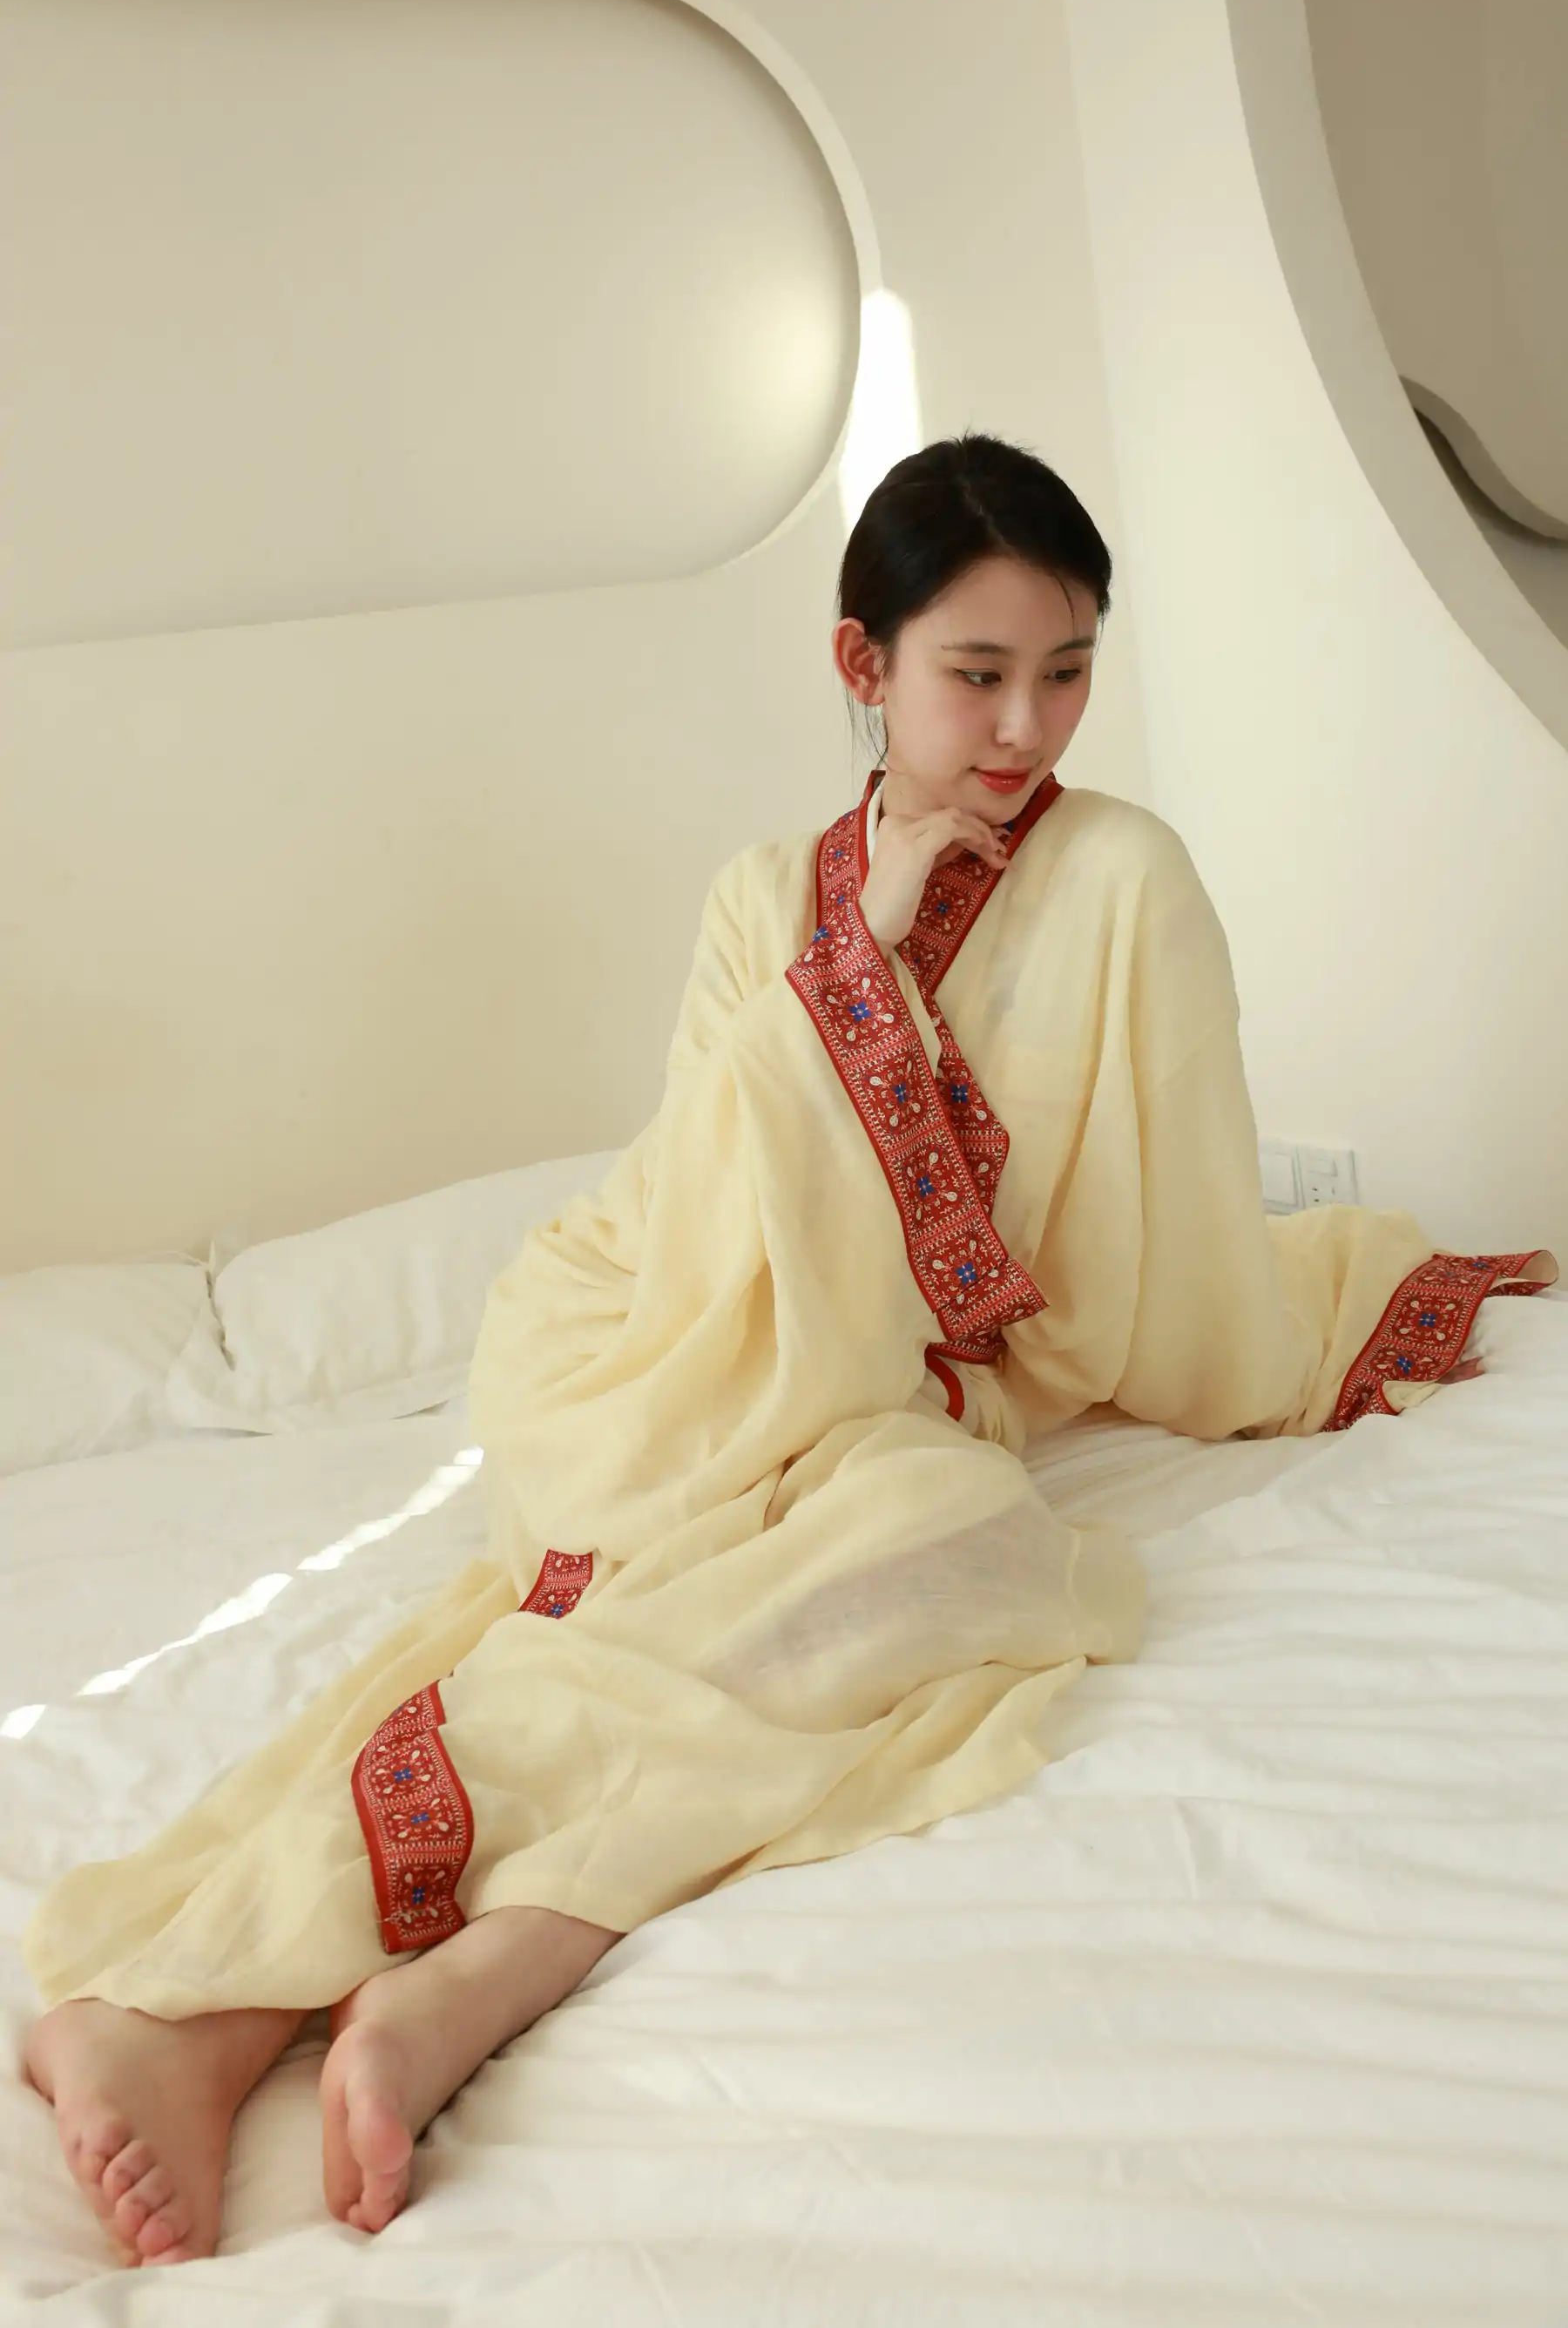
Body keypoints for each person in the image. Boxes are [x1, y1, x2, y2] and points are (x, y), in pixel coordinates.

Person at [23, 435, 1555, 2270]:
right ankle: (192, 2014)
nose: (1025, 726)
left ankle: (439, 1983)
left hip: (882, 1399)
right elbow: (696, 1209)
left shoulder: (1127, 878)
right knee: (773, 1562)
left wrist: (1244, 1327)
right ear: (863, 666)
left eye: (1067, 671)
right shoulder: (765, 898)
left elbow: (1157, 1254)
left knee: (970, 1538)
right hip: (641, 1356)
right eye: (975, 673)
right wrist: (863, 963)